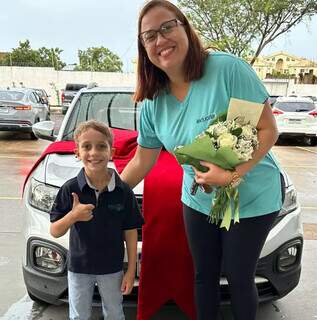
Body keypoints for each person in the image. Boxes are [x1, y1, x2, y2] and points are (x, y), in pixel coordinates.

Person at [120, 1, 283, 319]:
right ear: (144, 49)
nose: (161, 40)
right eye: (150, 36)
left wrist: (232, 175)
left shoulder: (226, 70)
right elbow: (142, 160)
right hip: (199, 201)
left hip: (252, 196)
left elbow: (266, 130)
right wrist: (104, 191)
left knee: (237, 276)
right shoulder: (155, 102)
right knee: (203, 275)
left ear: (184, 26)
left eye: (167, 27)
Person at [50, 120, 144, 320]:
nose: (94, 153)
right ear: (77, 152)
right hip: (79, 268)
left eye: (101, 146)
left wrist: (131, 271)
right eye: (86, 146)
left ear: (112, 152)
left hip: (112, 268)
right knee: (78, 316)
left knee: (114, 313)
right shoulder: (70, 189)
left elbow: (130, 230)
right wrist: (73, 216)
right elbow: (55, 231)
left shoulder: (123, 191)